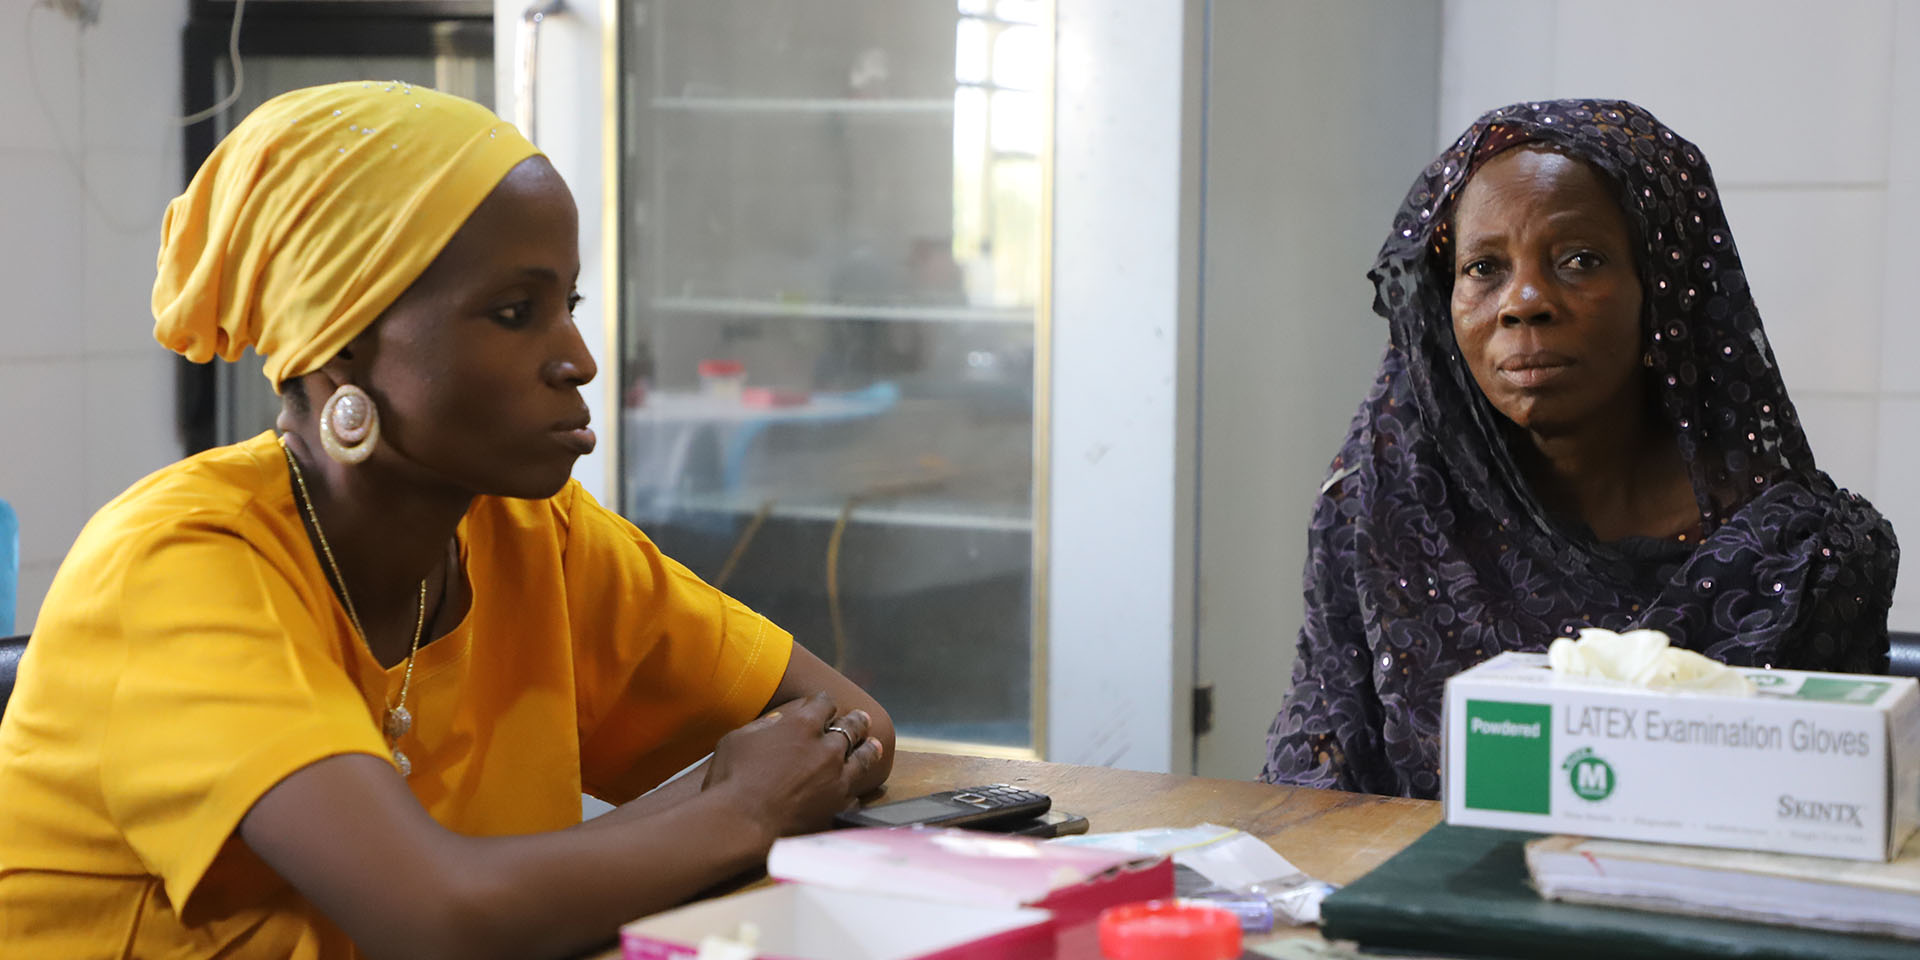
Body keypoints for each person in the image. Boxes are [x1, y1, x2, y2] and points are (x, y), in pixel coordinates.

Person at [0, 82, 895, 959]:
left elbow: (846, 728)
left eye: (569, 308)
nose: (578, 359)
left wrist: (735, 804)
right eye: (516, 313)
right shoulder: (178, 564)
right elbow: (436, 919)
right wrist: (740, 810)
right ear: (341, 345)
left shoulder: (535, 533)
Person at [1259, 99, 1897, 799]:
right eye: (1483, 268)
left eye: (1579, 260)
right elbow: (1317, 775)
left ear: (1665, 299)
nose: (1523, 300)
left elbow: (1817, 819)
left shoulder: (1807, 560)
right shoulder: (1380, 505)